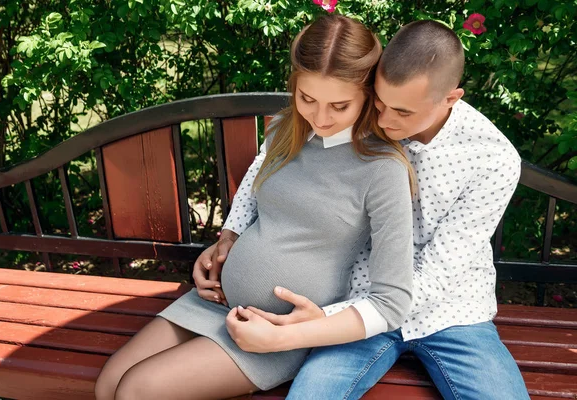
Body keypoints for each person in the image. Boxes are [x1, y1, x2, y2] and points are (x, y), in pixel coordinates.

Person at [198, 20, 530, 400]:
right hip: (355, 296)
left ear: (450, 99)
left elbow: (439, 274)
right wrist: (231, 234)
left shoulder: (492, 159)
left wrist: (324, 321)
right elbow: (270, 161)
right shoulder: (353, 115)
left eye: (403, 112)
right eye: (379, 102)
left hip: (449, 312)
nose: (385, 122)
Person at [94, 15, 416, 400]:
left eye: (339, 105)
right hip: (216, 302)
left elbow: (392, 301)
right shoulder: (286, 130)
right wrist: (226, 239)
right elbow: (252, 190)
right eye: (307, 99)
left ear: (367, 95)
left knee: (137, 391)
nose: (321, 117)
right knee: (108, 384)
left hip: (276, 332)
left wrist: (294, 333)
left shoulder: (382, 169)